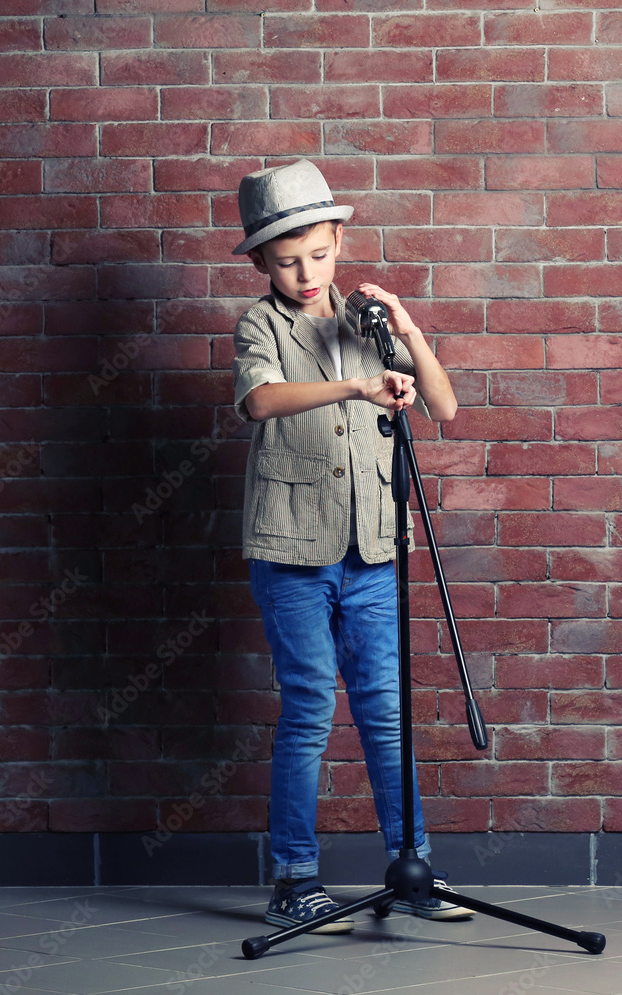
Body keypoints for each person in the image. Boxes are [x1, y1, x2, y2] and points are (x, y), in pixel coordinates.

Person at [231, 159, 473, 933]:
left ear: (339, 241)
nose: (305, 273)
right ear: (264, 262)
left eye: (318, 254)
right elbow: (260, 400)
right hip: (292, 555)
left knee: (384, 712)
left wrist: (406, 331)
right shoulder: (260, 325)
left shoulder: (367, 323)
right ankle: (296, 878)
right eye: (286, 259)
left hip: (374, 554)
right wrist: (355, 389)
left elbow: (443, 404)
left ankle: (413, 872)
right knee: (308, 711)